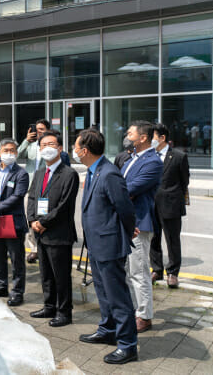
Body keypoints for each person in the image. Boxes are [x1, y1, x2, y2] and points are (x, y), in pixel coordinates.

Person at [75, 128, 138, 365]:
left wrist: (124, 232)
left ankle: (128, 345)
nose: (75, 151)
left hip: (109, 244)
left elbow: (125, 209)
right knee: (102, 292)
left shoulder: (109, 173)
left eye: (76, 146)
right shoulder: (93, 171)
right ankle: (107, 330)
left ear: (85, 150)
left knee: (117, 296)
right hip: (97, 243)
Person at [27, 131, 79, 328]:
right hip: (40, 232)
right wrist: (32, 220)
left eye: (51, 144)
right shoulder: (40, 172)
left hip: (58, 233)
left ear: (59, 148)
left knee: (61, 276)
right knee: (45, 273)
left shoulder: (69, 174)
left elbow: (65, 206)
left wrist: (44, 222)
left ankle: (64, 312)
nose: (47, 148)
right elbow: (32, 198)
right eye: (43, 145)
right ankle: (49, 306)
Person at [121, 121, 163, 334]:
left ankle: (144, 316)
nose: (127, 135)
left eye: (130, 133)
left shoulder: (152, 161)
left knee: (139, 271)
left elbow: (129, 188)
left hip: (139, 222)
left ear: (143, 137)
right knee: (127, 270)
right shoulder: (131, 157)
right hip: (125, 220)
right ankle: (133, 309)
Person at [0, 138, 29, 306]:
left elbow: (17, 196)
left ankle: (17, 292)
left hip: (12, 221)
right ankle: (0, 286)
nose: (9, 153)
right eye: (6, 150)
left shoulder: (21, 173)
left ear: (16, 153)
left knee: (16, 259)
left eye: (12, 151)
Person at [150, 124, 189, 289]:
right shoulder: (149, 156)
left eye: (152, 137)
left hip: (171, 204)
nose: (150, 140)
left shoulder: (179, 156)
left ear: (162, 138)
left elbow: (184, 180)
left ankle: (172, 272)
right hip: (151, 204)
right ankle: (157, 269)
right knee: (153, 239)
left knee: (172, 240)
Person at [17, 119, 50, 264]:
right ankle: (34, 249)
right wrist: (26, 140)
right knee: (30, 218)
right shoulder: (30, 146)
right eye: (37, 129)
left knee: (43, 217)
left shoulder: (49, 147)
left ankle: (44, 246)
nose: (38, 132)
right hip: (31, 187)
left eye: (42, 129)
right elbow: (17, 156)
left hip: (45, 187)